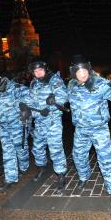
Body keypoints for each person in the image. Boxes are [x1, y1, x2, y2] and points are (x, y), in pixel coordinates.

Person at [67, 54, 111, 204]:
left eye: (84, 70)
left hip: (99, 129)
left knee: (105, 159)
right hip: (80, 130)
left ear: (88, 70)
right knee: (78, 155)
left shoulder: (100, 83)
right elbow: (63, 99)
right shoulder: (71, 85)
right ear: (73, 73)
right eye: (78, 71)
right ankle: (84, 177)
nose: (82, 74)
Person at [0, 71, 30, 192]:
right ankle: (10, 178)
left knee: (20, 149)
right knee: (8, 152)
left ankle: (24, 167)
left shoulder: (14, 88)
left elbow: (29, 99)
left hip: (17, 124)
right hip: (3, 127)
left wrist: (24, 109)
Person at [25, 59, 68, 192]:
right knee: (37, 148)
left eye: (40, 70)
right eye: (35, 71)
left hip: (53, 121)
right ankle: (41, 167)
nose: (38, 73)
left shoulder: (55, 81)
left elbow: (63, 98)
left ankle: (61, 174)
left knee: (55, 149)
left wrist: (52, 105)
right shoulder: (34, 83)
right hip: (39, 121)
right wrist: (26, 109)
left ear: (45, 69)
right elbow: (30, 100)